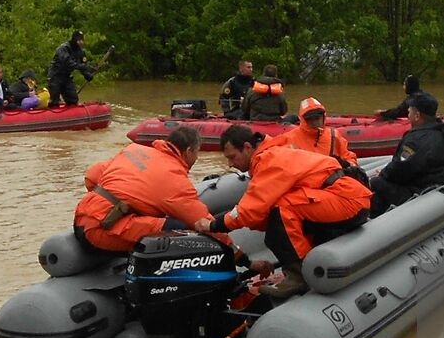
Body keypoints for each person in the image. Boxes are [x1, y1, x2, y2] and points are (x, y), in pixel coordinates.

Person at [197, 125, 371, 297]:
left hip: (346, 200)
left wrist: (214, 224)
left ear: (248, 147)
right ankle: (307, 260)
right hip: (344, 198)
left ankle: (299, 275)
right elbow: (257, 213)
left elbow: (250, 210)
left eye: (233, 157)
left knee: (282, 209)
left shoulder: (269, 160)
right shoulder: (273, 153)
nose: (230, 164)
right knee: (278, 215)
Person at [74, 128, 263, 274]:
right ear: (189, 151)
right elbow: (204, 223)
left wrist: (127, 205)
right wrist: (244, 260)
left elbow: (91, 176)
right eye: (196, 153)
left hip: (83, 216)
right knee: (182, 229)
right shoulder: (174, 179)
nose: (196, 159)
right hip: (103, 229)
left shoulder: (134, 150)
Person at [369, 91, 444, 217]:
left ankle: (373, 222)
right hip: (437, 183)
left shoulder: (416, 140)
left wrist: (383, 174)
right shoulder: (443, 131)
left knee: (376, 183)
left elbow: (401, 168)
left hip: (421, 191)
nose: (408, 114)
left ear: (417, 115)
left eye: (409, 111)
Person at [260, 97, 357, 165]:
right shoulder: (290, 138)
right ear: (303, 120)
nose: (314, 122)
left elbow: (348, 156)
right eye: (310, 119)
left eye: (317, 118)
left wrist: (348, 165)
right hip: (306, 183)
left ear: (323, 117)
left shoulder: (333, 135)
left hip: (330, 181)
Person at [48, 30, 99, 108]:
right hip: (55, 77)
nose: (81, 42)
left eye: (82, 40)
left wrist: (87, 74)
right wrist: (86, 67)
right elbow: (68, 63)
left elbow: (83, 65)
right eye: (79, 40)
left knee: (73, 99)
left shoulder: (81, 52)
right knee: (54, 101)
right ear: (74, 39)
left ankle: (70, 115)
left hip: (66, 77)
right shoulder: (63, 48)